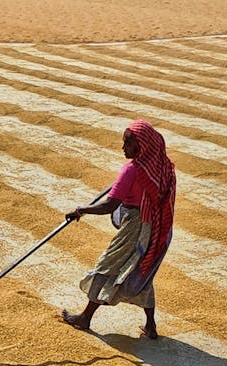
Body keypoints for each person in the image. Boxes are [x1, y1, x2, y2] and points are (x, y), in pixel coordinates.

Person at [61, 120, 176, 339]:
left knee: (107, 266)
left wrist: (80, 210)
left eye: (129, 144)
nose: (123, 148)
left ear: (142, 146)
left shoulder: (133, 170)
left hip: (136, 228)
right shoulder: (162, 165)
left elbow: (110, 205)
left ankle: (85, 318)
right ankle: (150, 326)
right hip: (158, 229)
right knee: (142, 273)